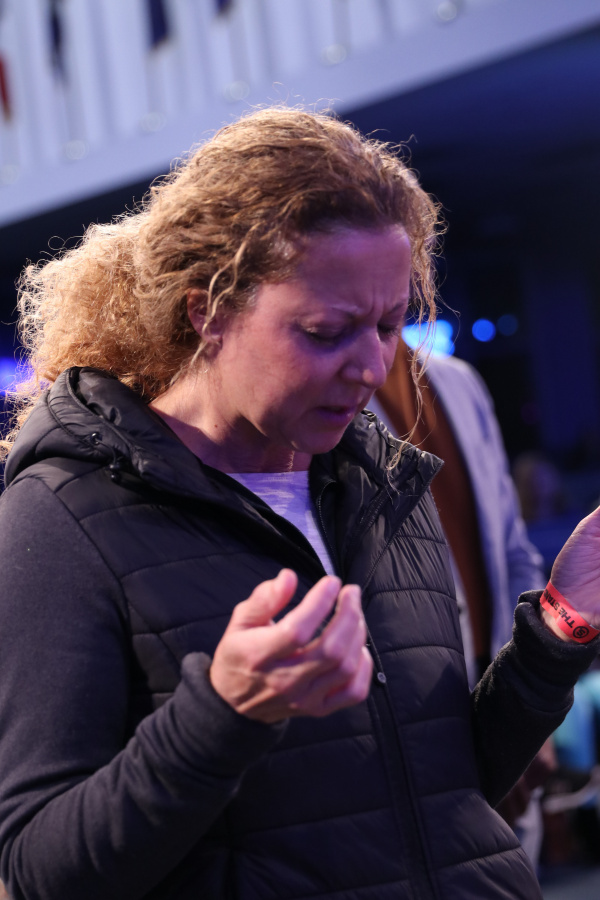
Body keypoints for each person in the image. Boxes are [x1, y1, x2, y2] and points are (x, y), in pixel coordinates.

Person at [0, 106, 598, 900]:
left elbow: (441, 793)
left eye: (389, 326)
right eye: (325, 332)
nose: (371, 368)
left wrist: (558, 626)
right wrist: (222, 715)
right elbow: (37, 872)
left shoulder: (382, 480)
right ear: (207, 312)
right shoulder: (62, 516)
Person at [368, 339, 552, 863]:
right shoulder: (330, 380)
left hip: (503, 694)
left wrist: (530, 702)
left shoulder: (457, 381)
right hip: (416, 724)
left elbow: (513, 552)